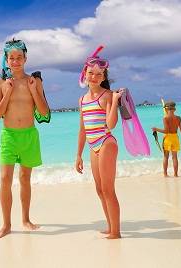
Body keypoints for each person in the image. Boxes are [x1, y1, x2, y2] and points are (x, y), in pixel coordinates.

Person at [0, 39, 49, 238]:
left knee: (25, 178)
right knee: (5, 179)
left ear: (25, 58)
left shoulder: (34, 81)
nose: (15, 61)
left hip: (29, 135)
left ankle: (25, 219)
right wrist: (7, 93)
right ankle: (6, 225)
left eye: (19, 57)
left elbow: (43, 111)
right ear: (6, 61)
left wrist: (34, 90)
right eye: (11, 58)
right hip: (9, 136)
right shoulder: (0, 84)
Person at [75, 50, 122, 239]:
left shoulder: (108, 95)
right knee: (99, 189)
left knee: (108, 188)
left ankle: (116, 232)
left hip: (106, 142)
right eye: (90, 73)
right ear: (84, 74)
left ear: (104, 77)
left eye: (99, 74)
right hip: (92, 145)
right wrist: (78, 155)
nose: (94, 77)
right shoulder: (82, 100)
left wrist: (115, 101)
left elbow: (111, 124)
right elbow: (82, 130)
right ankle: (110, 227)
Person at [152, 101, 181, 177]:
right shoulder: (178, 118)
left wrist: (156, 129)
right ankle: (175, 174)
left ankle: (165, 174)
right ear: (174, 109)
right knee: (175, 157)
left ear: (166, 109)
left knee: (166, 157)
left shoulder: (165, 118)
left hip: (168, 138)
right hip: (175, 137)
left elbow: (166, 131)